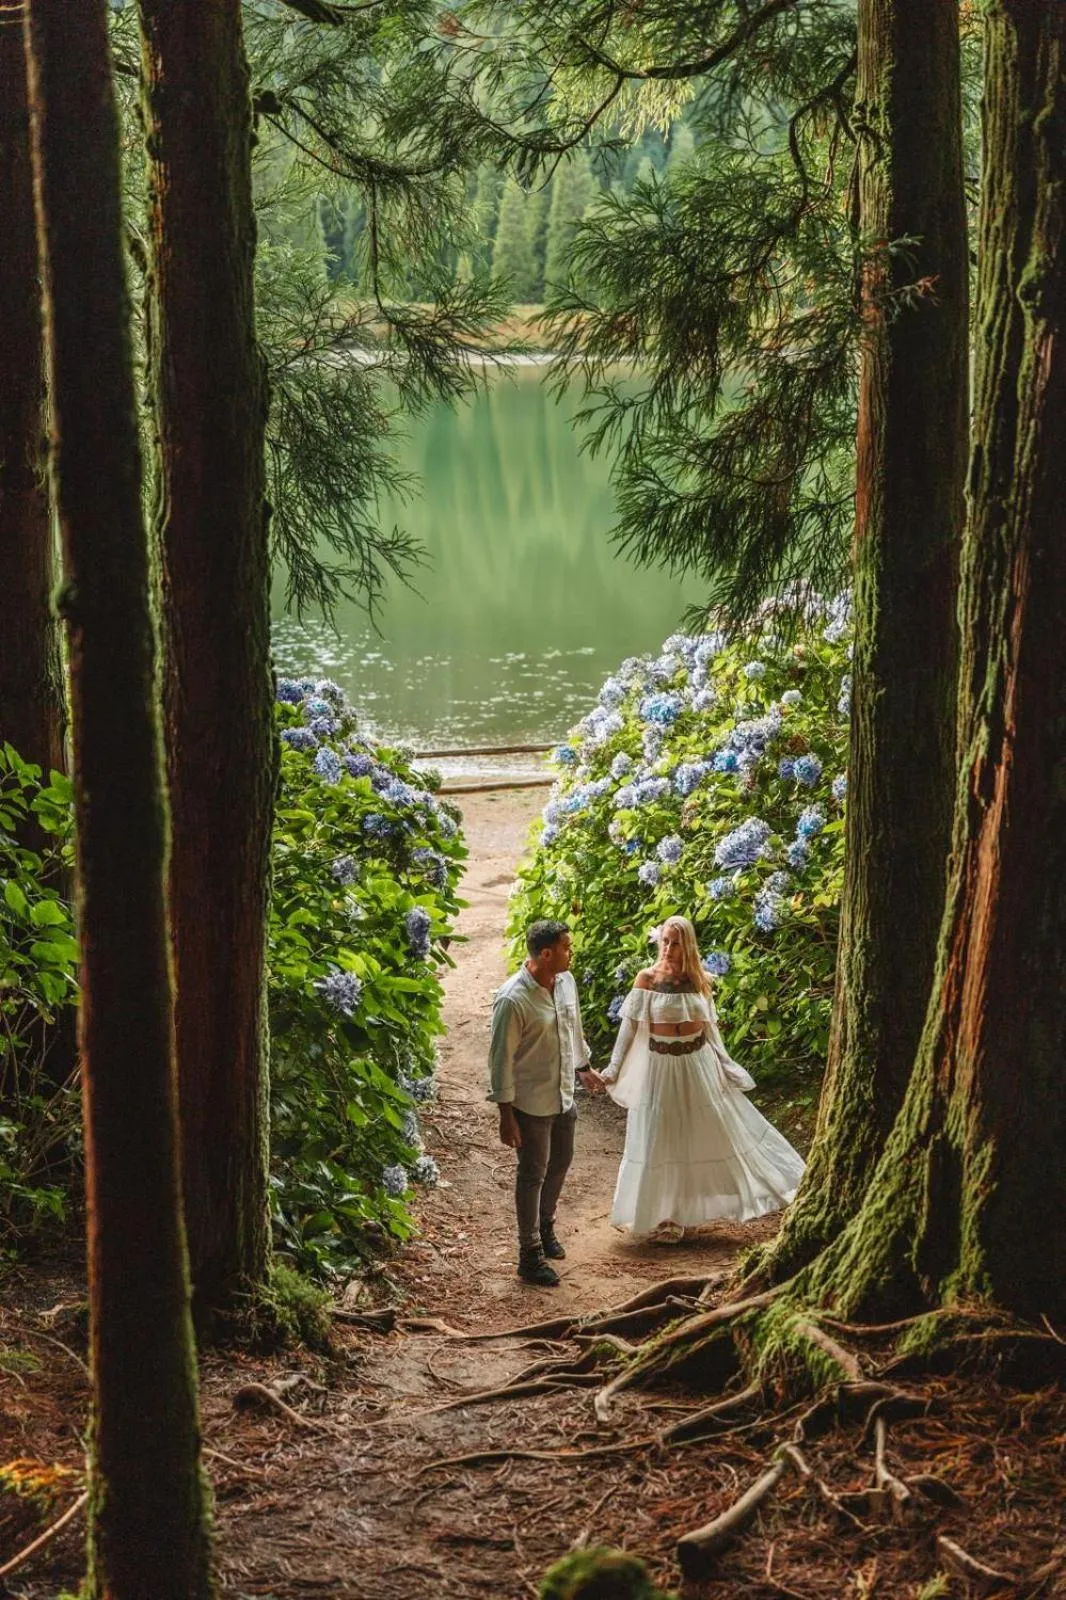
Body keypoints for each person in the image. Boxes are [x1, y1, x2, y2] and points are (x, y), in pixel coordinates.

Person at [593, 916, 804, 1241]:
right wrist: (612, 1068)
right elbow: (629, 1028)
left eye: (674, 942)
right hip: (661, 1068)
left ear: (687, 944)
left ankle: (692, 1210)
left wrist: (726, 1063)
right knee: (662, 1137)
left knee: (706, 1132)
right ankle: (665, 1216)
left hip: (697, 1064)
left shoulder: (701, 980)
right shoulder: (646, 979)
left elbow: (710, 1029)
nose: (667, 947)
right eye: (664, 940)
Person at [488, 919, 602, 1286]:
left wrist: (583, 1066)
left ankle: (545, 1227)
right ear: (547, 953)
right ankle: (529, 1253)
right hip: (531, 1102)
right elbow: (500, 1060)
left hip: (564, 1093)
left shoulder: (565, 982)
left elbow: (573, 1027)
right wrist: (506, 1116)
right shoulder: (512, 999)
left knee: (561, 1161)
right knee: (532, 1173)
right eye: (567, 947)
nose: (572, 952)